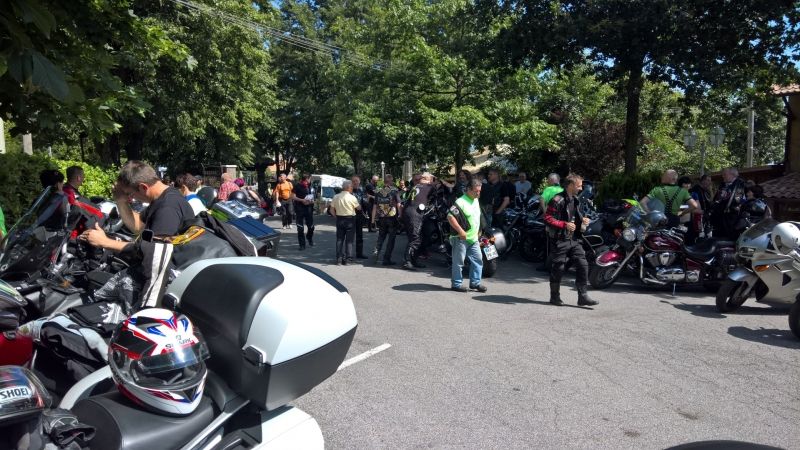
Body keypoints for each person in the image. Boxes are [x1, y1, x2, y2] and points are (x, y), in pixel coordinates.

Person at [81, 161, 194, 309]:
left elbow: (154, 255)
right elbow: (138, 226)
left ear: (143, 187)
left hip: (168, 283)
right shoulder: (161, 198)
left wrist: (105, 242)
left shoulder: (167, 208)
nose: (131, 199)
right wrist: (121, 200)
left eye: (130, 194)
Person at [544, 173, 597, 307]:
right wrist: (564, 224)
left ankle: (583, 297)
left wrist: (583, 220)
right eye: (579, 186)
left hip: (574, 239)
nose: (581, 188)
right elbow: (547, 218)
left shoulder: (575, 199)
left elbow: (575, 216)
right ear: (571, 185)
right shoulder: (557, 200)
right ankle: (554, 297)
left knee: (583, 264)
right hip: (559, 239)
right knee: (559, 268)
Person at [448, 179, 487, 293]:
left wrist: (479, 231)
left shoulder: (475, 200)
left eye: (479, 191)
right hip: (460, 238)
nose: (478, 193)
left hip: (473, 238)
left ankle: (475, 283)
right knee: (458, 262)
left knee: (478, 260)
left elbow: (476, 217)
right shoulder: (460, 202)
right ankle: (456, 284)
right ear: (469, 189)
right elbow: (450, 217)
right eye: (476, 191)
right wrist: (460, 231)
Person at [402, 172, 435, 270]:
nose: (432, 180)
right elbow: (443, 187)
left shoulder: (416, 186)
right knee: (415, 238)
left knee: (416, 237)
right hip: (415, 214)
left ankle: (413, 260)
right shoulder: (428, 186)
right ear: (426, 179)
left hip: (408, 212)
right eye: (431, 179)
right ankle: (407, 262)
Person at [372, 173, 402, 265]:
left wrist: (372, 220)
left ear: (384, 181)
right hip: (392, 217)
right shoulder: (394, 191)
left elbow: (375, 206)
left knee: (381, 236)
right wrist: (400, 215)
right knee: (391, 239)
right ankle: (386, 259)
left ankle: (376, 251)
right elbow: (398, 204)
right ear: (391, 181)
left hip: (381, 217)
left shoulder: (378, 191)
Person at [330, 180, 360, 265]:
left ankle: (339, 259)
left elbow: (331, 210)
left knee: (339, 239)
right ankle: (348, 259)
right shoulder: (352, 197)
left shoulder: (336, 196)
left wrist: (336, 216)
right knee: (349, 240)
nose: (352, 188)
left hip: (340, 219)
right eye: (351, 187)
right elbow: (359, 208)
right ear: (348, 187)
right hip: (350, 219)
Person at [711, 167, 746, 239]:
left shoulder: (741, 185)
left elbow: (739, 201)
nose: (723, 176)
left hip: (732, 220)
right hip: (719, 220)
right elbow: (716, 199)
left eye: (725, 174)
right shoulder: (722, 185)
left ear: (732, 174)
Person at [291, 174, 315, 250]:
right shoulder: (297, 186)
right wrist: (302, 200)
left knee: (311, 227)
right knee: (300, 228)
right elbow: (293, 197)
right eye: (310, 179)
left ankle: (309, 237)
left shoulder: (310, 187)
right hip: (299, 209)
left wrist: (311, 201)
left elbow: (313, 198)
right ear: (307, 179)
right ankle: (302, 245)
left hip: (309, 209)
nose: (310, 180)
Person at [351, 176, 369, 259]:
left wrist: (366, 200)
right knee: (350, 236)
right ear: (351, 182)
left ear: (359, 182)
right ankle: (349, 254)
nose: (355, 182)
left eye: (357, 181)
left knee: (359, 235)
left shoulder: (362, 190)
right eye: (353, 181)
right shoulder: (349, 191)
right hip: (350, 215)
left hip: (359, 215)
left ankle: (359, 253)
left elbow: (365, 202)